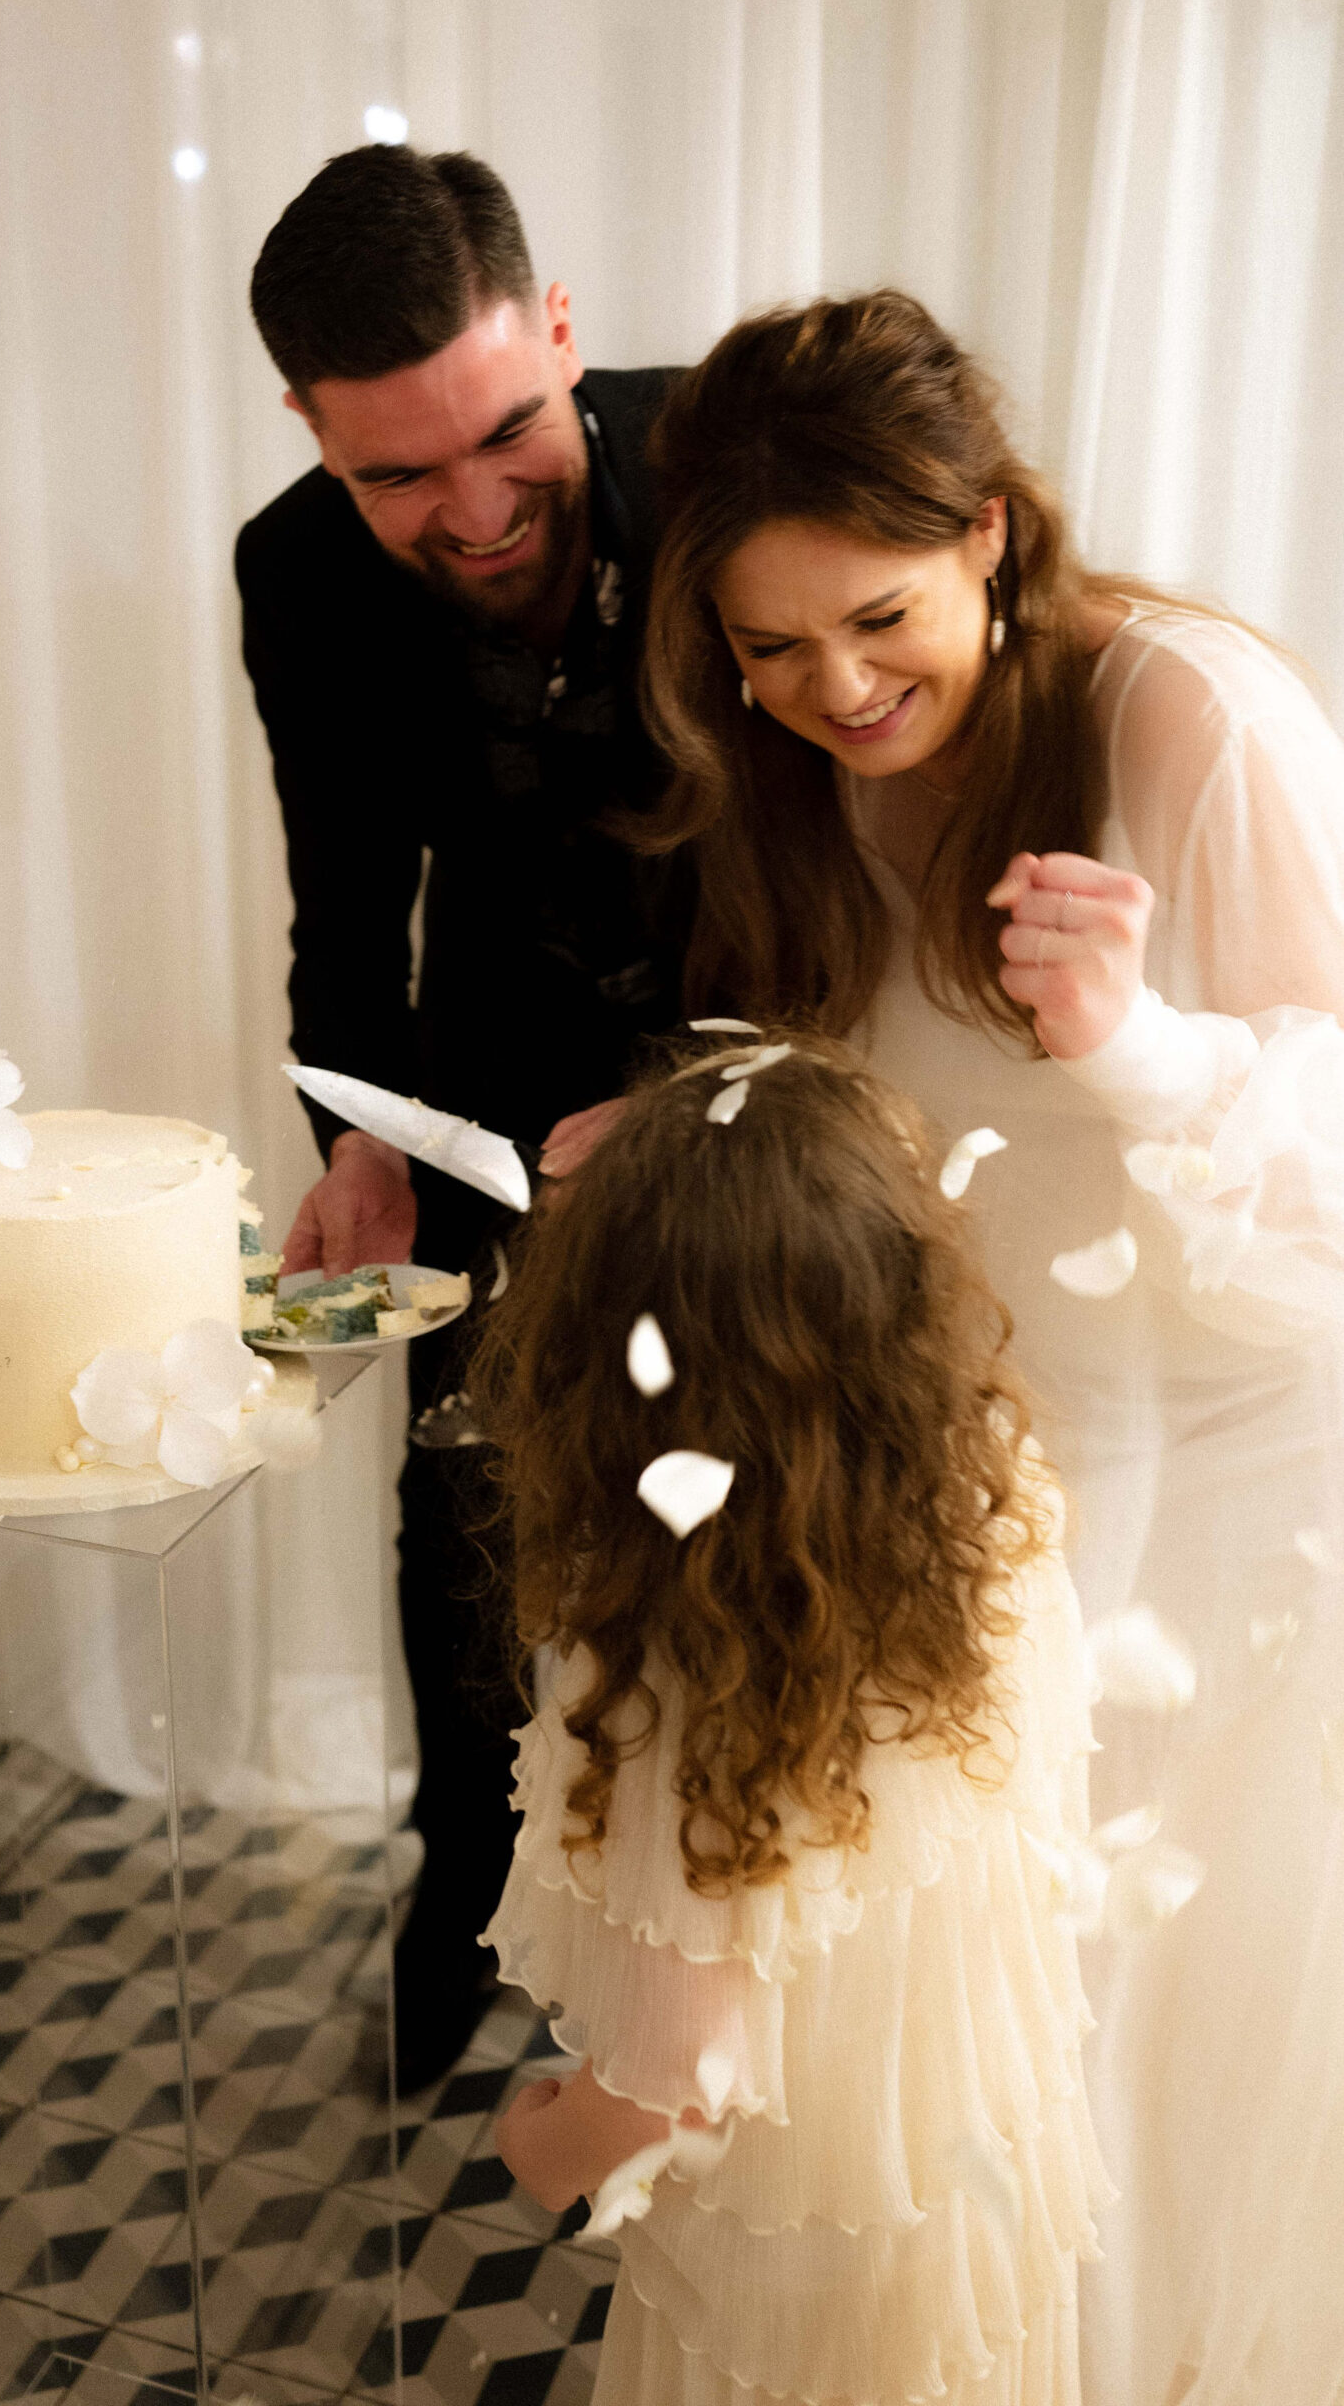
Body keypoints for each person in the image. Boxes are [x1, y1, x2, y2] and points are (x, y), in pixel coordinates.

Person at [544, 288, 1344, 2403]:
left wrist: (1147, 1047)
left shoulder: (1191, 720)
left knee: (1142, 1999)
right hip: (973, 1452)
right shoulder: (791, 765)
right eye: (770, 644)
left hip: (1238, 1468)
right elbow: (873, 1084)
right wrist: (699, 1130)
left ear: (990, 531)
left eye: (880, 618)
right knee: (968, 1992)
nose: (834, 689)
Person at [237, 144, 692, 2090]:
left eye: (508, 432)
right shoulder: (292, 569)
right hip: (482, 1096)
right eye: (401, 477)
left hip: (756, 1065)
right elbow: (347, 907)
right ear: (310, 428)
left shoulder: (730, 456)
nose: (479, 510)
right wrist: (357, 1134)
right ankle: (465, 1885)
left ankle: (689, 1962)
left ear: (562, 330)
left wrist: (716, 1103)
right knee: (466, 1530)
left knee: (731, 1537)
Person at [473, 1028, 1106, 2403]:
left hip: (802, 2278)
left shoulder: (692, 1679)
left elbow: (678, 2078)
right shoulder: (989, 1500)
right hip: (970, 2183)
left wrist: (546, 2148)